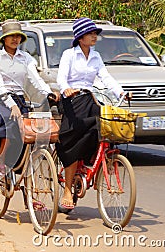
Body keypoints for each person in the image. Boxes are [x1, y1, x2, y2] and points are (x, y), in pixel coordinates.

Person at [56, 17, 128, 210]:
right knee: (72, 143)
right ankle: (67, 190)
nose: (94, 36)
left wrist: (120, 92)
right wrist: (66, 89)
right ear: (80, 38)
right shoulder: (69, 55)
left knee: (104, 125)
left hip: (89, 99)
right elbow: (61, 77)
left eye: (95, 33)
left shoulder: (95, 56)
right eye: (91, 33)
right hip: (72, 101)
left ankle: (92, 163)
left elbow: (105, 77)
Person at [0, 19, 60, 176]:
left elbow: (36, 79)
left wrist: (48, 92)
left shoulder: (26, 58)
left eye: (18, 36)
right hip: (0, 99)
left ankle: (21, 163)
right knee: (11, 122)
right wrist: (11, 105)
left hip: (19, 98)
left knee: (32, 128)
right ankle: (0, 160)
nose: (15, 39)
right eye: (11, 36)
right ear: (4, 39)